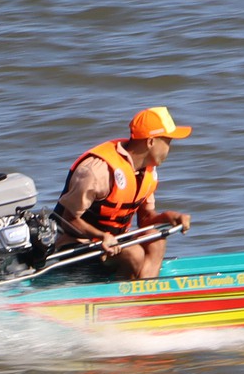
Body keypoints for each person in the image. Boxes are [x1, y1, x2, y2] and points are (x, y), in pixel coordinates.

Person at [53, 106, 195, 280]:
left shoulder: (147, 171)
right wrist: (101, 236)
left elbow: (145, 220)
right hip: (75, 247)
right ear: (151, 142)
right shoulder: (97, 171)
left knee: (156, 238)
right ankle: (118, 301)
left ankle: (145, 295)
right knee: (134, 253)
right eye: (167, 142)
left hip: (113, 244)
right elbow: (68, 219)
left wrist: (167, 217)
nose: (169, 149)